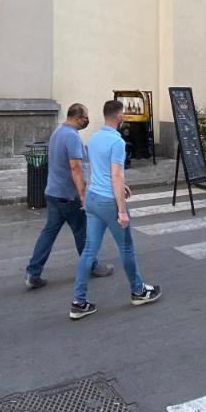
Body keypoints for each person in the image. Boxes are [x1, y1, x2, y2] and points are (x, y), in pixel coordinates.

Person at [70, 99, 160, 320]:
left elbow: (99, 170)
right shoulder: (117, 142)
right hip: (109, 201)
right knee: (126, 248)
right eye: (124, 116)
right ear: (119, 117)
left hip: (92, 197)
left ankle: (78, 302)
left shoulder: (94, 138)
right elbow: (116, 175)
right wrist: (121, 209)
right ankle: (138, 291)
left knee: (89, 250)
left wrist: (120, 188)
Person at [25, 104, 114, 289]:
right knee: (82, 231)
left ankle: (33, 272)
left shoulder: (57, 133)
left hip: (53, 193)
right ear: (78, 117)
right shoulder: (72, 136)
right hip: (68, 195)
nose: (86, 121)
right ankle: (93, 266)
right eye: (85, 117)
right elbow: (76, 167)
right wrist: (82, 195)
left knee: (48, 233)